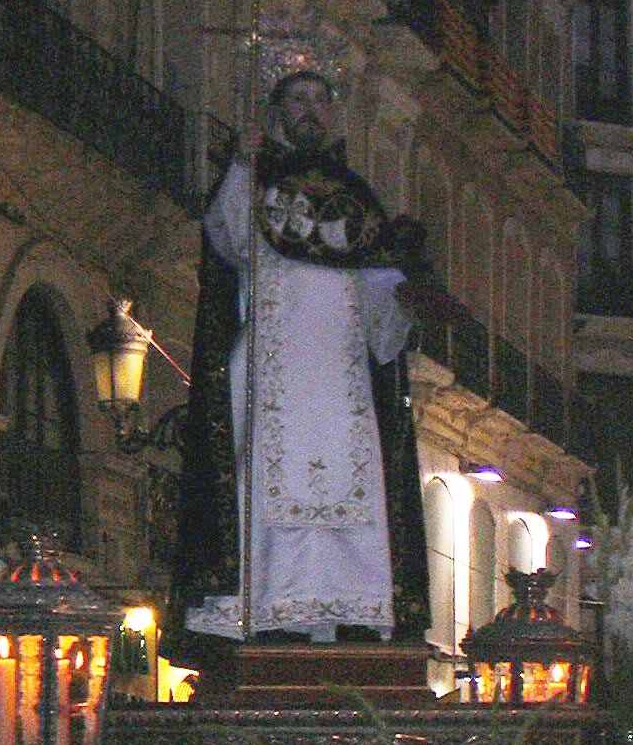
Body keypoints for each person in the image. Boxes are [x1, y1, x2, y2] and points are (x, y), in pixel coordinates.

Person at [165, 69, 432, 652]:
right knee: (264, 479)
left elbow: (380, 303)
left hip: (343, 380)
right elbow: (230, 238)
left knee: (352, 486)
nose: (310, 110)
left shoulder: (356, 197)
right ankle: (266, 609)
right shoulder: (257, 184)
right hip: (272, 365)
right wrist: (239, 165)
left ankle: (349, 610)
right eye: (297, 100)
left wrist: (410, 299)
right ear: (276, 111)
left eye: (319, 100)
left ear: (333, 114)